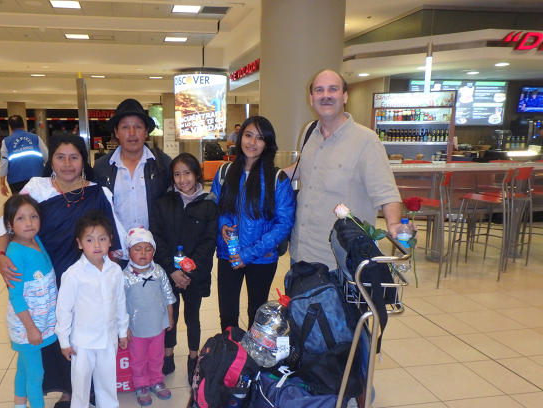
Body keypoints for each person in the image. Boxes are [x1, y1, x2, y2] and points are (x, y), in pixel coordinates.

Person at [0, 135, 127, 408]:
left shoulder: (97, 192)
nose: (68, 164)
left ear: (84, 161)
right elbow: (7, 222)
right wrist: (0, 255)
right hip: (48, 275)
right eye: (60, 157)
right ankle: (68, 389)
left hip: (87, 274)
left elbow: (112, 233)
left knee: (88, 327)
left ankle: (91, 386)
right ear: (50, 161)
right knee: (61, 331)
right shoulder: (37, 188)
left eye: (74, 157)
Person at [284, 69, 402, 267]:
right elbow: (305, 167)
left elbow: (387, 193)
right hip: (301, 251)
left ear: (345, 96)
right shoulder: (309, 131)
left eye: (333, 89)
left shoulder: (366, 141)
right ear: (311, 98)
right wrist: (266, 175)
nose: (326, 95)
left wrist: (395, 225)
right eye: (319, 90)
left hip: (339, 260)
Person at [93, 98, 176, 372]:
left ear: (146, 131)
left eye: (138, 127)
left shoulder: (162, 164)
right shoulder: (103, 168)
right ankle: (119, 361)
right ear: (116, 132)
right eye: (125, 127)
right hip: (116, 252)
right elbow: (98, 211)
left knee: (160, 300)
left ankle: (165, 355)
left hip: (154, 249)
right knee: (118, 302)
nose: (132, 133)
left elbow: (173, 206)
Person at [56, 212, 130, 408]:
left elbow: (120, 302)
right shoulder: (73, 275)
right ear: (79, 243)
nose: (96, 245)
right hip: (82, 342)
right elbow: (64, 311)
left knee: (107, 379)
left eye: (102, 239)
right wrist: (64, 342)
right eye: (89, 240)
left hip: (108, 337)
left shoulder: (115, 271)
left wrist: (121, 331)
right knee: (81, 386)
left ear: (110, 241)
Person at [211, 116, 295, 331]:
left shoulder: (277, 178)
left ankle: (251, 360)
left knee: (256, 312)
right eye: (248, 135)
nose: (252, 142)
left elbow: (283, 224)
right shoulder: (224, 172)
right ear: (240, 138)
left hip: (262, 257)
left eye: (259, 138)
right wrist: (222, 225)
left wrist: (248, 254)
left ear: (267, 144)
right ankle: (231, 359)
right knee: (228, 313)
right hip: (228, 253)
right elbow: (215, 209)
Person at [149, 153, 218, 384]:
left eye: (187, 173)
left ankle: (193, 358)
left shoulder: (209, 204)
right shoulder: (162, 202)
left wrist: (189, 273)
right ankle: (168, 357)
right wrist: (172, 270)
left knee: (192, 317)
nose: (182, 179)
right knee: (170, 315)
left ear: (197, 173)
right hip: (169, 273)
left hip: (194, 276)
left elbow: (209, 243)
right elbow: (157, 239)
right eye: (177, 174)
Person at [3, 194, 60, 408]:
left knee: (25, 368)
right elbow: (15, 296)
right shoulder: (15, 252)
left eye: (34, 216)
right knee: (36, 374)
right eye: (21, 218)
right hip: (29, 326)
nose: (29, 223)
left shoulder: (36, 241)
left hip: (42, 320)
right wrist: (31, 329)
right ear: (9, 224)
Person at [122, 227, 176, 406]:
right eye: (137, 249)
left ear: (154, 251)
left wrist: (169, 316)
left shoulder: (159, 271)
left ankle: (157, 380)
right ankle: (141, 384)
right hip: (136, 327)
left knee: (156, 355)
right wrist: (124, 327)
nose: (143, 253)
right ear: (129, 252)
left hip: (157, 324)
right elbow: (120, 304)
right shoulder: (125, 276)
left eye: (148, 248)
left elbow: (168, 294)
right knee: (138, 358)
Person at [0, 115, 48, 196]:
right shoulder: (36, 138)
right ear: (24, 125)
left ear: (10, 128)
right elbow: (47, 157)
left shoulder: (6, 141)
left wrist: (2, 183)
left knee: (20, 205)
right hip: (37, 177)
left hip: (16, 180)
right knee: (37, 203)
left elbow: (3, 163)